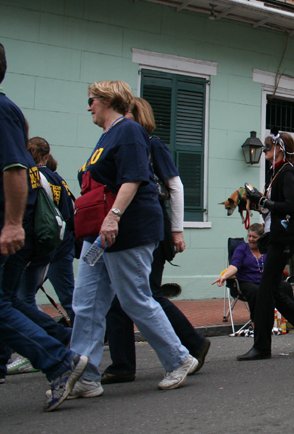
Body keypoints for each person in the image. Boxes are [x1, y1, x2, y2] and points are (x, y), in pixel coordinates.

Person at [69, 81, 198, 397]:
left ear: (106, 99)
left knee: (134, 298)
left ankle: (179, 359)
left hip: (127, 229)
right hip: (100, 233)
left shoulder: (128, 130)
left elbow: (134, 177)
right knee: (86, 302)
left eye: (91, 100)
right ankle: (84, 375)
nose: (89, 107)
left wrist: (113, 216)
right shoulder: (107, 135)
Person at [0, 42, 89, 410]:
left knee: (14, 301)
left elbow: (15, 172)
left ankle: (60, 357)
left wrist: (12, 224)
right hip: (39, 241)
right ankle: (62, 342)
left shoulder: (2, 111)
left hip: (32, 238)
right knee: (12, 301)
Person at [101, 97, 210, 385]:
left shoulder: (151, 143)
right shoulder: (119, 143)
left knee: (146, 293)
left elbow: (175, 185)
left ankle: (193, 343)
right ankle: (123, 363)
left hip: (150, 225)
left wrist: (177, 230)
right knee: (122, 297)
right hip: (129, 224)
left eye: (123, 112)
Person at [239, 131, 294, 360]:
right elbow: (271, 210)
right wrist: (256, 201)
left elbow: (289, 206)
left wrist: (262, 200)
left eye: (268, 145)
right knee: (275, 291)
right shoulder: (276, 173)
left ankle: (262, 347)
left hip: (283, 239)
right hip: (276, 236)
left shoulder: (287, 172)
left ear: (280, 148)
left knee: (266, 291)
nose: (265, 149)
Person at [16, 138, 75, 323]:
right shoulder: (56, 178)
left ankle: (60, 335)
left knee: (23, 299)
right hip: (59, 242)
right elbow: (68, 213)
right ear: (47, 155)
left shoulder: (33, 177)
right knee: (25, 297)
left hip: (45, 244)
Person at [213, 223, 266, 316]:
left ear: (261, 238)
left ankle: (287, 320)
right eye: (249, 236)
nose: (250, 239)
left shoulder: (266, 250)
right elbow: (234, 266)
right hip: (247, 282)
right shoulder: (242, 249)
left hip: (264, 281)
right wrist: (224, 276)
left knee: (285, 287)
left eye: (254, 237)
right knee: (256, 291)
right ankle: (257, 322)